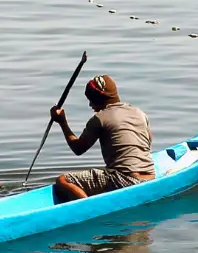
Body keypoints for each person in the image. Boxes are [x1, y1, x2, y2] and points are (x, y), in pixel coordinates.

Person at [50, 74, 155, 203]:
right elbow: (148, 140)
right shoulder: (139, 112)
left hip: (124, 180)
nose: (90, 105)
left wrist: (62, 122)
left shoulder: (100, 118)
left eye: (91, 100)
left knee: (63, 180)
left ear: (99, 99)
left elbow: (78, 148)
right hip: (150, 177)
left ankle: (87, 207)